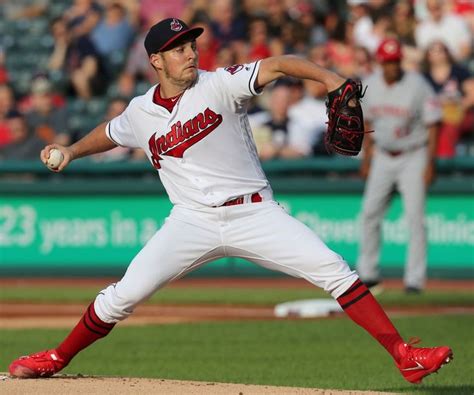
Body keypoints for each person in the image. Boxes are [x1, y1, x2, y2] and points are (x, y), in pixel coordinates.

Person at [9, 18, 452, 385]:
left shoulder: (221, 84)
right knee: (122, 296)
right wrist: (69, 150)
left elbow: (278, 64)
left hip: (255, 212)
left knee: (334, 270)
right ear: (155, 60)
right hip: (190, 221)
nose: (190, 52)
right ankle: (59, 357)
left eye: (190, 44)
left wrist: (330, 78)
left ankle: (403, 354)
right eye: (178, 47)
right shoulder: (140, 111)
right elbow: (109, 132)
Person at [357, 38, 441, 295]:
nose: (392, 66)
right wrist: (367, 158)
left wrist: (430, 163)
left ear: (400, 60)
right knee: (369, 213)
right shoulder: (370, 85)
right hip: (382, 154)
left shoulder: (417, 84)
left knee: (415, 219)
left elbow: (433, 124)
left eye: (395, 61)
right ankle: (367, 275)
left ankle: (414, 281)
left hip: (413, 154)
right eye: (387, 61)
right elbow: (368, 124)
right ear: (380, 62)